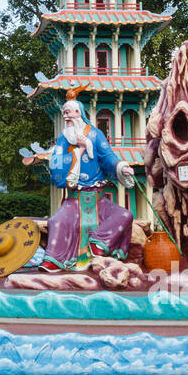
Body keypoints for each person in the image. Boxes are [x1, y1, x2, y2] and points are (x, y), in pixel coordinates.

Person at [41, 94, 136, 273]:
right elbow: (56, 163)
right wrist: (78, 153)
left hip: (98, 198)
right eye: (64, 113)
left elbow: (108, 156)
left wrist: (121, 167)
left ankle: (99, 243)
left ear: (80, 113)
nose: (67, 116)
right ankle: (55, 260)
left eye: (71, 112)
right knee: (57, 221)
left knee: (125, 215)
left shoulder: (95, 134)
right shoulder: (63, 139)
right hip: (75, 199)